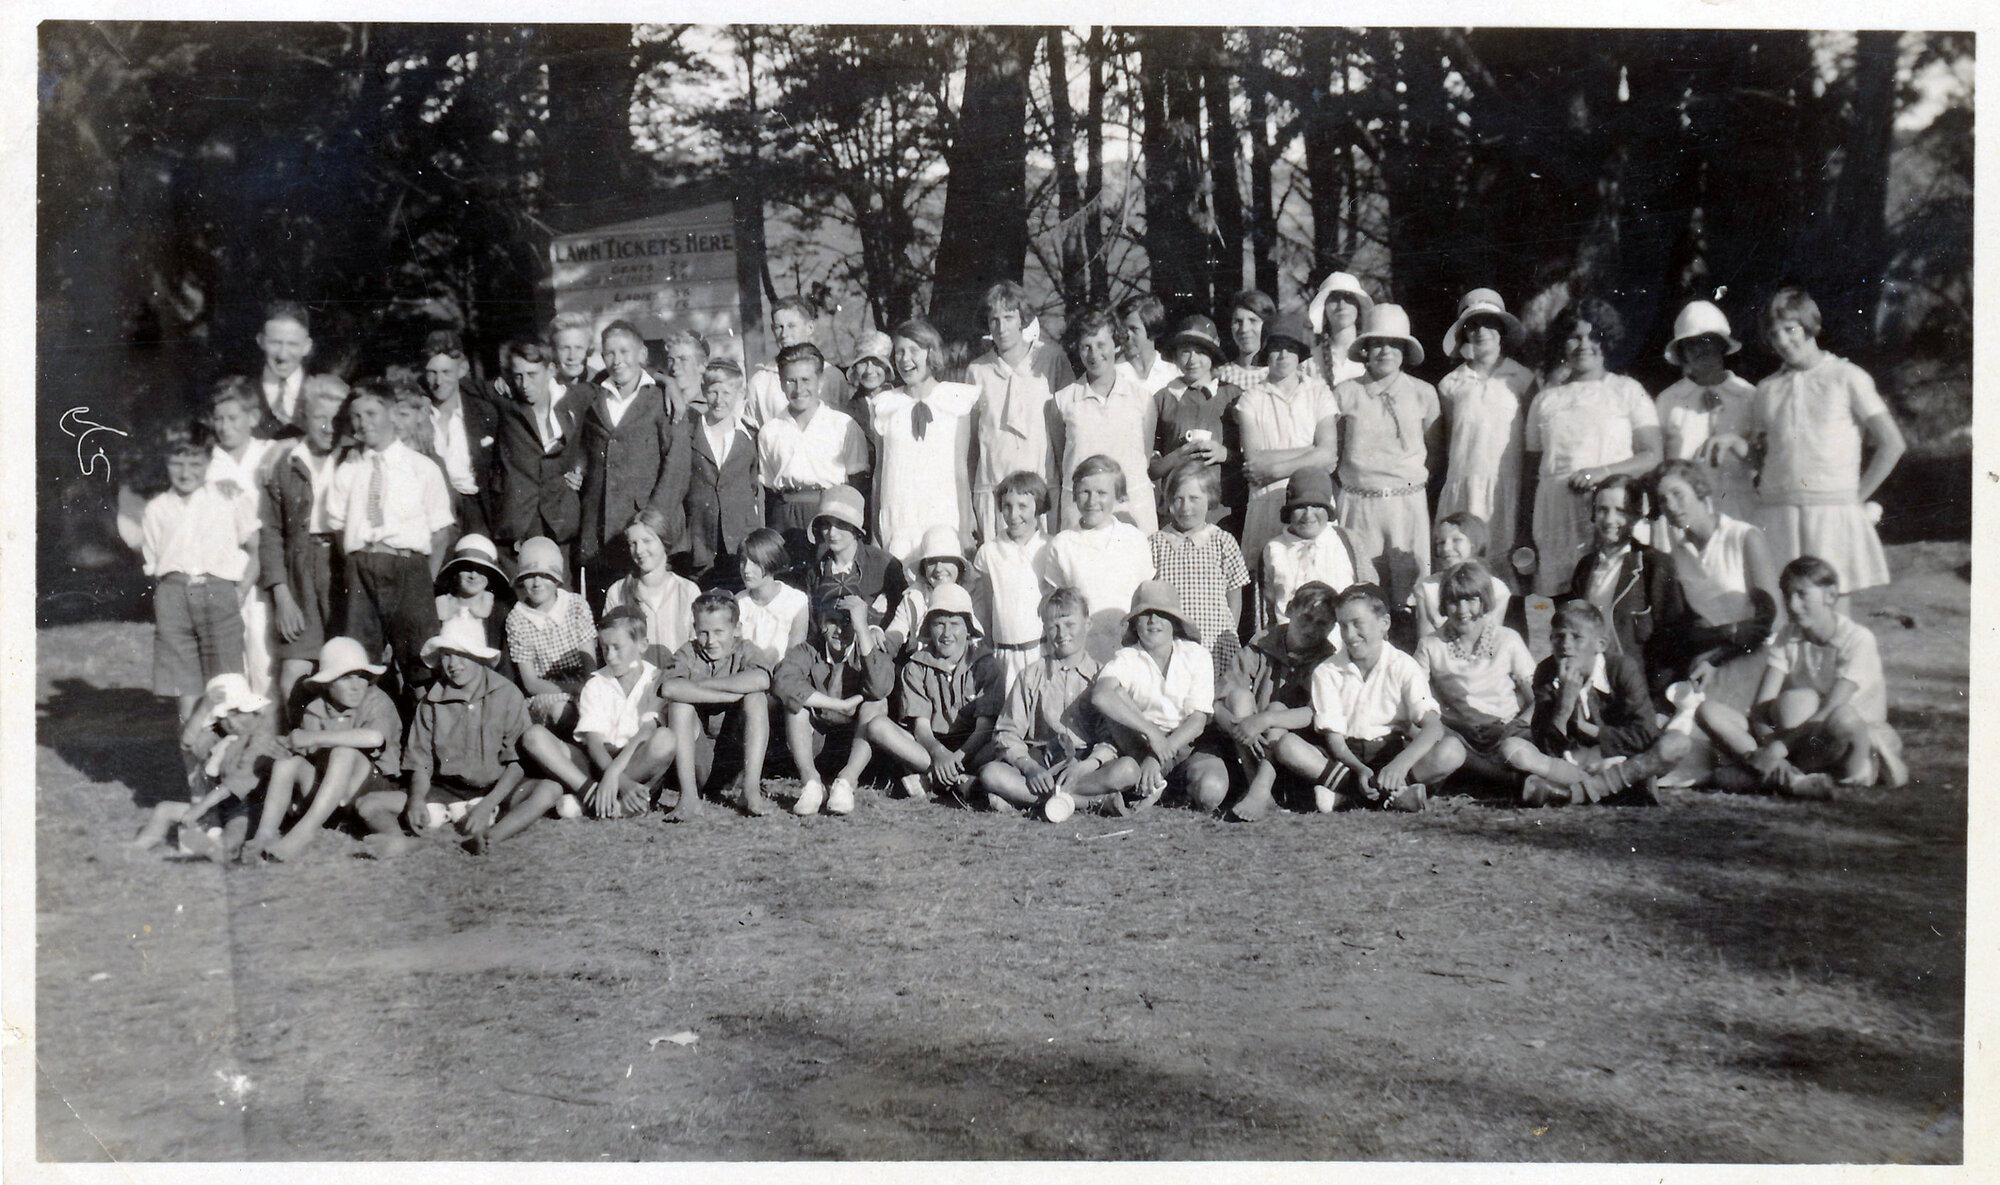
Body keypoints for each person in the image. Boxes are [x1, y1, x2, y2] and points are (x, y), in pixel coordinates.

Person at [1697, 555, 1908, 798]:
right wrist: (1768, 743)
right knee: (1709, 711)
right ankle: (1790, 778)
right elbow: (1761, 706)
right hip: (1797, 738)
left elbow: (1830, 709)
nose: (1793, 605)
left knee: (1840, 716)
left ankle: (1764, 773)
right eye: (1787, 596)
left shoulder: (1857, 639)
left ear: (1830, 595)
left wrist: (1779, 747)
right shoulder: (1789, 635)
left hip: (1840, 736)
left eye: (1802, 594)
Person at [1749, 287, 1906, 604]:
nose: (1782, 341)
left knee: (1830, 609)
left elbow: (1892, 443)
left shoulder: (1847, 377)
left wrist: (1855, 498)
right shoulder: (1766, 389)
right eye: (1774, 334)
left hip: (1831, 513)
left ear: (1810, 326)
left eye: (1790, 329)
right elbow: (1760, 453)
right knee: (1783, 606)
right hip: (1778, 512)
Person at [358, 615, 560, 857]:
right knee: (368, 804)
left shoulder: (507, 694)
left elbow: (516, 764)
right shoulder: (430, 702)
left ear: (479, 656)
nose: (453, 664)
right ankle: (404, 843)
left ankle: (490, 838)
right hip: (446, 790)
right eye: (446, 655)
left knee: (550, 790)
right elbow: (421, 764)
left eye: (461, 655)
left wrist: (487, 805)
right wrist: (416, 800)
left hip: (496, 788)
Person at [1523, 298, 1663, 595]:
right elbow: (1531, 472)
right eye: (1574, 337)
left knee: (1610, 591)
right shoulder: (1545, 400)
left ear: (1606, 340)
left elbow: (1652, 455)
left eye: (1593, 336)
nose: (1584, 345)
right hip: (1556, 513)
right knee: (1560, 598)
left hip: (1610, 509)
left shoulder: (1627, 390)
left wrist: (1602, 473)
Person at [323, 381, 454, 692]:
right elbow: (338, 526)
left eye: (371, 413)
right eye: (356, 416)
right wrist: (359, 562)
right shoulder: (348, 470)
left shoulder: (421, 467)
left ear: (392, 413)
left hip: (408, 567)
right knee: (360, 659)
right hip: (361, 569)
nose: (363, 423)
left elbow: (441, 532)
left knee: (420, 660)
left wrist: (423, 580)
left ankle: (424, 720)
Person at [1502, 600, 1684, 806]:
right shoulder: (1546, 671)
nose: (1565, 644)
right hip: (1571, 762)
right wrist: (1564, 705)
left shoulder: (1622, 669)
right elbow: (1546, 747)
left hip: (1621, 757)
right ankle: (1620, 787)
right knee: (1512, 748)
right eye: (1558, 636)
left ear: (1600, 644)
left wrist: (1589, 730)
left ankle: (1574, 792)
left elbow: (1645, 734)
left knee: (1677, 743)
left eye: (1576, 637)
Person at [1305, 584, 1465, 813]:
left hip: (1391, 752)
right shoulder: (1327, 671)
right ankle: (1391, 796)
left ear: (1384, 623)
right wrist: (1359, 769)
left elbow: (1433, 727)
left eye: (1358, 623)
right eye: (1343, 625)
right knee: (1288, 747)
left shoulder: (1404, 665)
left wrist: (1402, 764)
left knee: (1453, 751)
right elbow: (1335, 741)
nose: (1349, 635)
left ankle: (1349, 797)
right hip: (1347, 759)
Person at [140, 425, 259, 723]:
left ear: (208, 464)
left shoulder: (229, 497)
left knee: (227, 681)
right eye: (177, 463)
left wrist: (241, 589)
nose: (185, 473)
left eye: (194, 464)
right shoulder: (156, 508)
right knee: (185, 686)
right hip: (174, 595)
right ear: (165, 463)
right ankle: (191, 753)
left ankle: (227, 752)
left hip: (218, 591)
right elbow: (154, 563)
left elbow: (257, 549)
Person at [245, 637, 401, 863]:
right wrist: (285, 746)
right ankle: (265, 834)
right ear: (327, 683)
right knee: (288, 763)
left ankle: (302, 834)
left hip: (374, 788)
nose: (356, 685)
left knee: (343, 752)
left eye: (362, 676)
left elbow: (374, 738)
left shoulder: (376, 700)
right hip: (331, 796)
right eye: (346, 678)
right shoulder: (315, 709)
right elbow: (307, 755)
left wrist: (312, 737)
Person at [977, 587, 1128, 820]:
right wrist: (1030, 768)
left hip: (1085, 766)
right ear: (1045, 629)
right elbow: (1007, 733)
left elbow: (1110, 738)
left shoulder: (1102, 677)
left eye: (1069, 624)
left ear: (1088, 624)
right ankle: (1091, 802)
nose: (1061, 633)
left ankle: (1031, 799)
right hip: (1042, 764)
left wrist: (1085, 766)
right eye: (1053, 626)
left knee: (1128, 770)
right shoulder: (1031, 676)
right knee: (991, 774)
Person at [1332, 303, 1441, 623]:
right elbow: (1335, 450)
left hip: (1407, 506)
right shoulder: (1346, 392)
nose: (1385, 351)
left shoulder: (1423, 393)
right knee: (1362, 590)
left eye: (1394, 344)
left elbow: (1435, 451)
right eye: (1377, 343)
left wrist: (1407, 484)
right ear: (1365, 350)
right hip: (1358, 504)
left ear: (1405, 351)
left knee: (1410, 596)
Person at [1089, 581, 1231, 813]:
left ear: (1174, 622)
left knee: (1211, 791)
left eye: (1161, 614)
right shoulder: (1127, 657)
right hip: (1140, 744)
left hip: (1187, 744)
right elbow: (1101, 696)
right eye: (1145, 615)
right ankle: (1154, 786)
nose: (1153, 621)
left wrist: (1157, 756)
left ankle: (1161, 788)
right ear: (1135, 623)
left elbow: (1197, 721)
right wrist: (1151, 733)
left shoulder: (1196, 655)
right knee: (1117, 697)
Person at [1647, 459, 1780, 703]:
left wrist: (1717, 659)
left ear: (1699, 491)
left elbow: (1774, 621)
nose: (1671, 506)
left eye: (1678, 494)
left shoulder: (1744, 537)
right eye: (1663, 500)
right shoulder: (1676, 555)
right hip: (1708, 662)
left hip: (1757, 655)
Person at [577, 320, 684, 609]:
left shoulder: (661, 398)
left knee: (650, 607)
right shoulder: (594, 394)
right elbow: (582, 444)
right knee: (610, 609)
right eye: (609, 353)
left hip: (645, 528)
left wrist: (654, 523)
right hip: (601, 529)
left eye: (625, 351)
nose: (617, 360)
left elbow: (676, 465)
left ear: (642, 354)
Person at [1214, 581, 1343, 822]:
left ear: (1332, 626)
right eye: (1306, 618)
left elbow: (1316, 713)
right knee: (1239, 696)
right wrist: (1239, 727)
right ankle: (1257, 787)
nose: (1311, 629)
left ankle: (1259, 791)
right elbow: (1219, 703)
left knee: (1277, 708)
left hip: (1295, 747)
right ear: (1290, 608)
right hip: (1252, 746)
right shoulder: (1259, 647)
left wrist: (1265, 719)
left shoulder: (1327, 660)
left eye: (1322, 623)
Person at [261, 377, 351, 716]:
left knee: (349, 668)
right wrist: (282, 596)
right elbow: (271, 532)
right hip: (299, 575)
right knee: (293, 675)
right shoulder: (286, 462)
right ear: (304, 417)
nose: (329, 428)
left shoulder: (356, 457)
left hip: (345, 571)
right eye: (319, 418)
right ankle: (298, 743)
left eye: (336, 419)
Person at [863, 584, 1000, 804]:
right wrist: (939, 754)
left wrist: (955, 758)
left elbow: (983, 728)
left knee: (999, 742)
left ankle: (930, 780)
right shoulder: (916, 666)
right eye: (939, 624)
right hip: (929, 748)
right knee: (877, 726)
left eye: (955, 624)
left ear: (968, 629)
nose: (947, 634)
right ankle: (959, 782)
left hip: (971, 747)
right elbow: (922, 728)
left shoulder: (986, 664)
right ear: (929, 628)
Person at [128, 673, 285, 862]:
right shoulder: (218, 737)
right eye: (223, 717)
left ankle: (215, 848)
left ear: (253, 711)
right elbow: (187, 742)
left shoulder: (260, 740)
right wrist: (204, 709)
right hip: (215, 807)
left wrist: (200, 808)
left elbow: (235, 783)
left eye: (236, 713)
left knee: (234, 834)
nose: (231, 722)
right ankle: (137, 848)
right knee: (164, 809)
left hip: (245, 808)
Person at [968, 281, 1074, 541]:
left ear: (1022, 320)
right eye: (994, 320)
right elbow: (971, 443)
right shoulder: (977, 371)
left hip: (1042, 488)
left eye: (1008, 318)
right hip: (994, 490)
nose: (1001, 328)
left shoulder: (1051, 359)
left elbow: (1069, 427)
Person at [1414, 562, 1536, 788]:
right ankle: (1509, 781)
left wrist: (1520, 724)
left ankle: (1483, 775)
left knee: (1518, 751)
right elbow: (1415, 696)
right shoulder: (1431, 644)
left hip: (1505, 730)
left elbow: (1535, 698)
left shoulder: (1506, 639)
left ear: (1485, 600)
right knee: (1447, 751)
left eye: (1471, 600)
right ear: (1444, 604)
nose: (1462, 611)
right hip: (1459, 735)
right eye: (1453, 601)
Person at [657, 592, 777, 818]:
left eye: (719, 632)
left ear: (737, 629)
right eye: (704, 632)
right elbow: (670, 688)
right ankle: (689, 797)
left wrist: (701, 686)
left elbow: (761, 679)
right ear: (695, 628)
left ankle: (750, 791)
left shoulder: (745, 649)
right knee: (680, 706)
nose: (711, 641)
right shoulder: (688, 652)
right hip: (698, 760)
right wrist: (728, 695)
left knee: (756, 698)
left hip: (735, 760)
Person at [1435, 288, 1535, 557]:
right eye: (1473, 325)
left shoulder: (1522, 378)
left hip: (1507, 487)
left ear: (1501, 329)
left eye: (1490, 323)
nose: (1481, 331)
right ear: (1464, 333)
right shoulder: (1450, 384)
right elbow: (1449, 443)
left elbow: (1532, 444)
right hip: (1464, 486)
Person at [775, 594, 894, 817]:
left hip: (856, 744)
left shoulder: (868, 647)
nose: (840, 631)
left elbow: (880, 687)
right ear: (822, 623)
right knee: (795, 706)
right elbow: (784, 680)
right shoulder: (809, 649)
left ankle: (846, 782)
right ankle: (811, 783)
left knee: (877, 703)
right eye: (832, 621)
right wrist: (837, 705)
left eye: (847, 622)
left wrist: (862, 630)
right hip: (817, 743)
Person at [872, 317, 978, 567]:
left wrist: (965, 528)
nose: (905, 359)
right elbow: (879, 471)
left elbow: (961, 471)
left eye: (914, 350)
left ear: (931, 352)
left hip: (942, 511)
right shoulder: (885, 404)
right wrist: (875, 530)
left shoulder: (955, 399)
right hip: (899, 514)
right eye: (900, 352)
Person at [1235, 311, 1340, 561]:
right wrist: (1312, 450)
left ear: (1299, 353)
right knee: (1270, 568)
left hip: (1312, 501)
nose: (1283, 355)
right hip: (1268, 501)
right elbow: (1254, 461)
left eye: (1290, 348)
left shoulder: (1319, 393)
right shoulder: (1251, 398)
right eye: (1276, 348)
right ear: (1266, 352)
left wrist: (1274, 469)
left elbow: (1329, 455)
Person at [755, 344, 870, 567]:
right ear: (781, 384)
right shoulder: (770, 431)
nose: (799, 389)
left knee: (828, 575)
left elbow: (857, 485)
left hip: (830, 515)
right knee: (787, 576)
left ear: (820, 381)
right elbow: (768, 490)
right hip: (785, 517)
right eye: (791, 381)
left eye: (806, 380)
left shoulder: (842, 425)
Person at [204, 376, 281, 698]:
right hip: (226, 571)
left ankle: (266, 722)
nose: (225, 427)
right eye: (219, 419)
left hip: (265, 571)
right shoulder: (208, 464)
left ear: (253, 417)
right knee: (230, 665)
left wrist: (282, 447)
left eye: (233, 418)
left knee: (264, 658)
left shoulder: (269, 453)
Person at [1053, 307, 1159, 532]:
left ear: (1116, 344)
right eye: (1086, 346)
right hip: (1081, 511)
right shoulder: (1062, 401)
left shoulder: (1142, 399)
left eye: (1101, 344)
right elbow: (1061, 462)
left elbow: (1144, 459)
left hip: (1133, 507)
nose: (1094, 354)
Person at [1563, 474, 1682, 668]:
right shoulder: (1585, 567)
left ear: (1635, 516)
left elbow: (1672, 639)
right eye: (1602, 510)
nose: (1610, 520)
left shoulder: (1654, 564)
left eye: (1620, 511)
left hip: (1638, 679)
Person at [1655, 300, 1758, 523]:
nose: (1700, 349)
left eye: (1707, 341)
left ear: (1722, 344)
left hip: (1738, 507)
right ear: (1682, 352)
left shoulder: (1748, 395)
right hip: (1684, 512)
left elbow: (1761, 457)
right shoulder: (1669, 400)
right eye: (1690, 344)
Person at [1149, 461, 1251, 682]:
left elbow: (1234, 596)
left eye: (1194, 498)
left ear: (1209, 499)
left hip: (1214, 641)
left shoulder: (1222, 541)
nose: (1186, 507)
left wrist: (1229, 634)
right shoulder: (1156, 543)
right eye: (1179, 499)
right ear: (1169, 501)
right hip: (1173, 646)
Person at [1047, 456, 1155, 663]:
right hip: (1083, 654)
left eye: (1102, 493)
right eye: (1085, 492)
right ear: (1075, 495)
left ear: (1117, 495)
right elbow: (1057, 607)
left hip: (1129, 651)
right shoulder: (1062, 544)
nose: (1092, 501)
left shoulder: (1134, 538)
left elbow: (1144, 599)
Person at [572, 607, 677, 818]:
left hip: (638, 759)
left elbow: (647, 731)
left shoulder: (656, 679)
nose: (610, 656)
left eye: (617, 647)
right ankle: (617, 800)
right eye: (604, 648)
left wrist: (613, 774)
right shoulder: (596, 684)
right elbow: (594, 743)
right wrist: (619, 779)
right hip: (603, 761)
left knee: (665, 739)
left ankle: (599, 800)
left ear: (642, 645)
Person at [669, 357, 764, 586]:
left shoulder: (749, 436)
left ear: (740, 394)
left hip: (738, 541)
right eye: (713, 392)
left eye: (727, 393)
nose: (719, 400)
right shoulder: (688, 432)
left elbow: (753, 486)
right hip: (698, 539)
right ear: (704, 391)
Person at [1150, 315, 1246, 535]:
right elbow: (1151, 468)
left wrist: (1224, 454)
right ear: (1175, 356)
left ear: (1212, 355)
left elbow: (1249, 458)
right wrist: (1178, 456)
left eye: (1201, 352)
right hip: (1176, 511)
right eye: (1185, 351)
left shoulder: (1232, 396)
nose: (1192, 359)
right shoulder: (1163, 399)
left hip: (1222, 512)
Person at [493, 336, 585, 556]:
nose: (525, 384)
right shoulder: (504, 402)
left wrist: (581, 469)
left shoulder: (574, 400)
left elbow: (589, 441)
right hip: (517, 524)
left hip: (559, 524)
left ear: (551, 370)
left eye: (532, 374)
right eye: (518, 375)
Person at [971, 470, 1058, 693]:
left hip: (1041, 652)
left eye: (1022, 506)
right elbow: (986, 606)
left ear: (1038, 507)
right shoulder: (990, 551)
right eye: (1007, 506)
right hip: (1003, 655)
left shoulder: (1051, 547)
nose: (1013, 514)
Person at [505, 535, 598, 731]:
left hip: (585, 684)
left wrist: (586, 690)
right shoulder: (518, 618)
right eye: (529, 576)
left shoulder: (575, 605)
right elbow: (531, 682)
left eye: (545, 575)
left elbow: (589, 662)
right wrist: (570, 691)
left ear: (556, 578)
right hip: (546, 691)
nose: (537, 583)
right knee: (562, 711)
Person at [1262, 468, 1371, 631]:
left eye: (1316, 506)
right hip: (1291, 638)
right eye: (1300, 507)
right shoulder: (1274, 549)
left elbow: (1368, 596)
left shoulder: (1346, 542)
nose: (1308, 515)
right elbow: (1266, 607)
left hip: (1340, 638)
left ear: (1328, 509)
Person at [419, 328, 503, 537]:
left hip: (474, 509)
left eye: (446, 372)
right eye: (432, 372)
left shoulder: (483, 412)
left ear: (462, 369)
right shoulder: (417, 414)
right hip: (430, 508)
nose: (438, 381)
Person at [597, 508, 701, 669]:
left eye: (647, 541)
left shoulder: (688, 591)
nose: (639, 550)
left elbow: (697, 645)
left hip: (678, 678)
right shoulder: (617, 592)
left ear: (663, 542)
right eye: (633, 544)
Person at [808, 484, 908, 639]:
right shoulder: (816, 571)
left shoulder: (884, 564)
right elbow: (814, 625)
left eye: (841, 524)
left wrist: (877, 629)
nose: (832, 533)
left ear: (855, 528)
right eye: (826, 525)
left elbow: (901, 615)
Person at [746, 297, 849, 426]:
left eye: (791, 326)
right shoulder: (761, 382)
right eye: (779, 327)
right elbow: (752, 430)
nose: (784, 334)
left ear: (810, 327)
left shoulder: (832, 376)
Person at [1411, 513, 1511, 639]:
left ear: (1474, 543)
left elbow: (1490, 637)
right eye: (1441, 542)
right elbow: (1426, 639)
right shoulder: (1428, 588)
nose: (1446, 548)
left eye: (1456, 540)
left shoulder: (1497, 588)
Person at [885, 524, 977, 657]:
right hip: (922, 665)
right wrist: (885, 639)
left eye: (946, 560)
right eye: (932, 562)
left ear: (958, 564)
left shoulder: (972, 593)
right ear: (923, 567)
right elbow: (897, 630)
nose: (939, 568)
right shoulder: (914, 596)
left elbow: (978, 641)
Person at [432, 533, 513, 676]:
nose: (473, 575)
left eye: (481, 569)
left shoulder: (497, 612)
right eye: (467, 568)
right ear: (455, 574)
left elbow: (505, 664)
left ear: (489, 576)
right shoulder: (441, 607)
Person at [734, 528, 810, 661]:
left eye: (755, 562)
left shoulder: (796, 601)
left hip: (784, 672)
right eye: (743, 561)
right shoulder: (738, 602)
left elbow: (795, 657)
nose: (746, 569)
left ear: (772, 561)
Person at [253, 300, 316, 437]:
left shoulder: (322, 394)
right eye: (275, 343)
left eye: (292, 344)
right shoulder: (243, 391)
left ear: (307, 346)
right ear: (261, 341)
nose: (282, 355)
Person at [1304, 272, 1371, 388]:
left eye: (1348, 297)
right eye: (1334, 298)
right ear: (1324, 308)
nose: (1341, 305)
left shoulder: (1372, 356)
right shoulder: (1311, 361)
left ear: (1358, 306)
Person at [1115, 294, 1181, 396]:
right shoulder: (1113, 372)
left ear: (1152, 330)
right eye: (1123, 329)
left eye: (1134, 329)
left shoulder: (1172, 374)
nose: (1126, 336)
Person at [1217, 288, 1275, 391]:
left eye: (1253, 321)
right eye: (1238, 321)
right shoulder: (1221, 374)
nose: (1244, 329)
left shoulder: (1277, 374)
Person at [660, 329, 709, 423]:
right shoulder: (661, 402)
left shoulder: (712, 408)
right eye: (670, 360)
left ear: (702, 366)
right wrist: (665, 380)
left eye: (683, 359)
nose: (674, 367)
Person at [545, 311, 600, 388]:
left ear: (589, 349)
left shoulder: (601, 384)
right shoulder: (543, 384)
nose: (572, 356)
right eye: (565, 348)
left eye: (579, 348)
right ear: (553, 350)